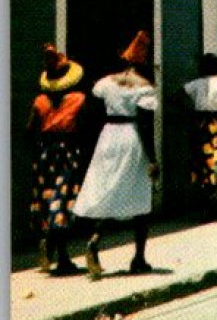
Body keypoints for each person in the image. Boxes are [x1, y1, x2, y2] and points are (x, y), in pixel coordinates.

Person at [72, 31, 160, 279]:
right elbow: (145, 124)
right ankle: (139, 258)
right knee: (141, 197)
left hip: (108, 135)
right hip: (131, 136)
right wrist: (152, 158)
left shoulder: (105, 82)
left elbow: (92, 109)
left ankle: (96, 238)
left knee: (109, 187)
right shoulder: (144, 88)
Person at [27, 45, 91, 275]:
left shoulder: (40, 101)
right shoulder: (78, 99)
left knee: (46, 199)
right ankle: (62, 257)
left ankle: (47, 241)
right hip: (67, 152)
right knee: (63, 201)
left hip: (44, 153)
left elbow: (29, 130)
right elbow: (83, 129)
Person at [184, 53, 217, 220]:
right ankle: (214, 204)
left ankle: (206, 205)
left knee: (202, 162)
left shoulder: (194, 84)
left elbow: (176, 97)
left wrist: (190, 112)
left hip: (200, 124)